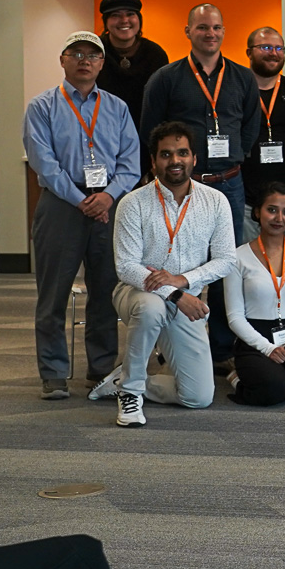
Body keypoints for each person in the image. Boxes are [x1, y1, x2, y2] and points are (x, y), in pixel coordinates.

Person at [92, 122, 237, 426]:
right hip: (137, 292)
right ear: (154, 161)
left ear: (194, 159)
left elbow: (226, 260)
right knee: (151, 305)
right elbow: (128, 267)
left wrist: (182, 282)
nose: (175, 161)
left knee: (198, 397)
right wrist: (174, 293)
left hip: (186, 299)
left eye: (182, 153)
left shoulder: (215, 201)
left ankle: (127, 379)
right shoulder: (134, 203)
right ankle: (130, 395)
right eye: (166, 154)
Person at [24, 30, 138, 400]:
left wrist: (108, 197)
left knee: (105, 291)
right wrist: (80, 199)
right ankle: (54, 372)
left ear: (102, 63)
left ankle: (101, 368)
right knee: (53, 293)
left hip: (108, 205)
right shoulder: (42, 107)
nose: (84, 60)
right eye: (76, 54)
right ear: (63, 60)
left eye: (93, 55)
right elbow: (45, 163)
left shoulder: (117, 108)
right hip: (60, 204)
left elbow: (131, 162)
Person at [140, 1, 262, 234]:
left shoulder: (243, 77)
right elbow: (150, 131)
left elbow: (250, 127)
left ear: (224, 31)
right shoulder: (165, 78)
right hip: (183, 183)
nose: (211, 34)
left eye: (216, 28)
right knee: (182, 250)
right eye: (203, 27)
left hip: (230, 182)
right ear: (188, 31)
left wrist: (233, 153)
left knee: (227, 255)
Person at [223, 183, 285, 406]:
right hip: (255, 337)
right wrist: (268, 349)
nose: (279, 217)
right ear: (258, 212)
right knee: (272, 389)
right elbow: (235, 317)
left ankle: (283, 373)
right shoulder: (237, 257)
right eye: (272, 210)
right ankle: (236, 378)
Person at [242, 26, 285, 244]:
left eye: (279, 48)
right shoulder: (237, 93)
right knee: (249, 267)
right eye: (265, 47)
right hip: (246, 201)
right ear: (249, 52)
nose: (273, 53)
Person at [95, 0, 167, 136]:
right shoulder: (94, 51)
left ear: (139, 19)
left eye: (130, 14)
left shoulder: (155, 54)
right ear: (106, 22)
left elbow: (163, 101)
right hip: (100, 133)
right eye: (115, 15)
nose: (124, 20)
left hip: (145, 134)